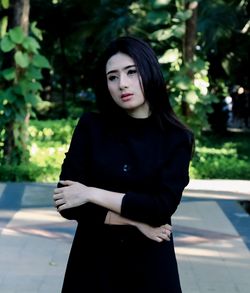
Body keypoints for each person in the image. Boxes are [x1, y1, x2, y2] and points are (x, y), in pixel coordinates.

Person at [53, 36, 194, 293]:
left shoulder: (176, 137)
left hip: (149, 268)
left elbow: (161, 208)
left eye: (132, 72)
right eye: (113, 77)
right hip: (92, 265)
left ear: (149, 71)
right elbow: (67, 203)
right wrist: (135, 221)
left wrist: (90, 193)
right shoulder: (91, 127)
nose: (123, 84)